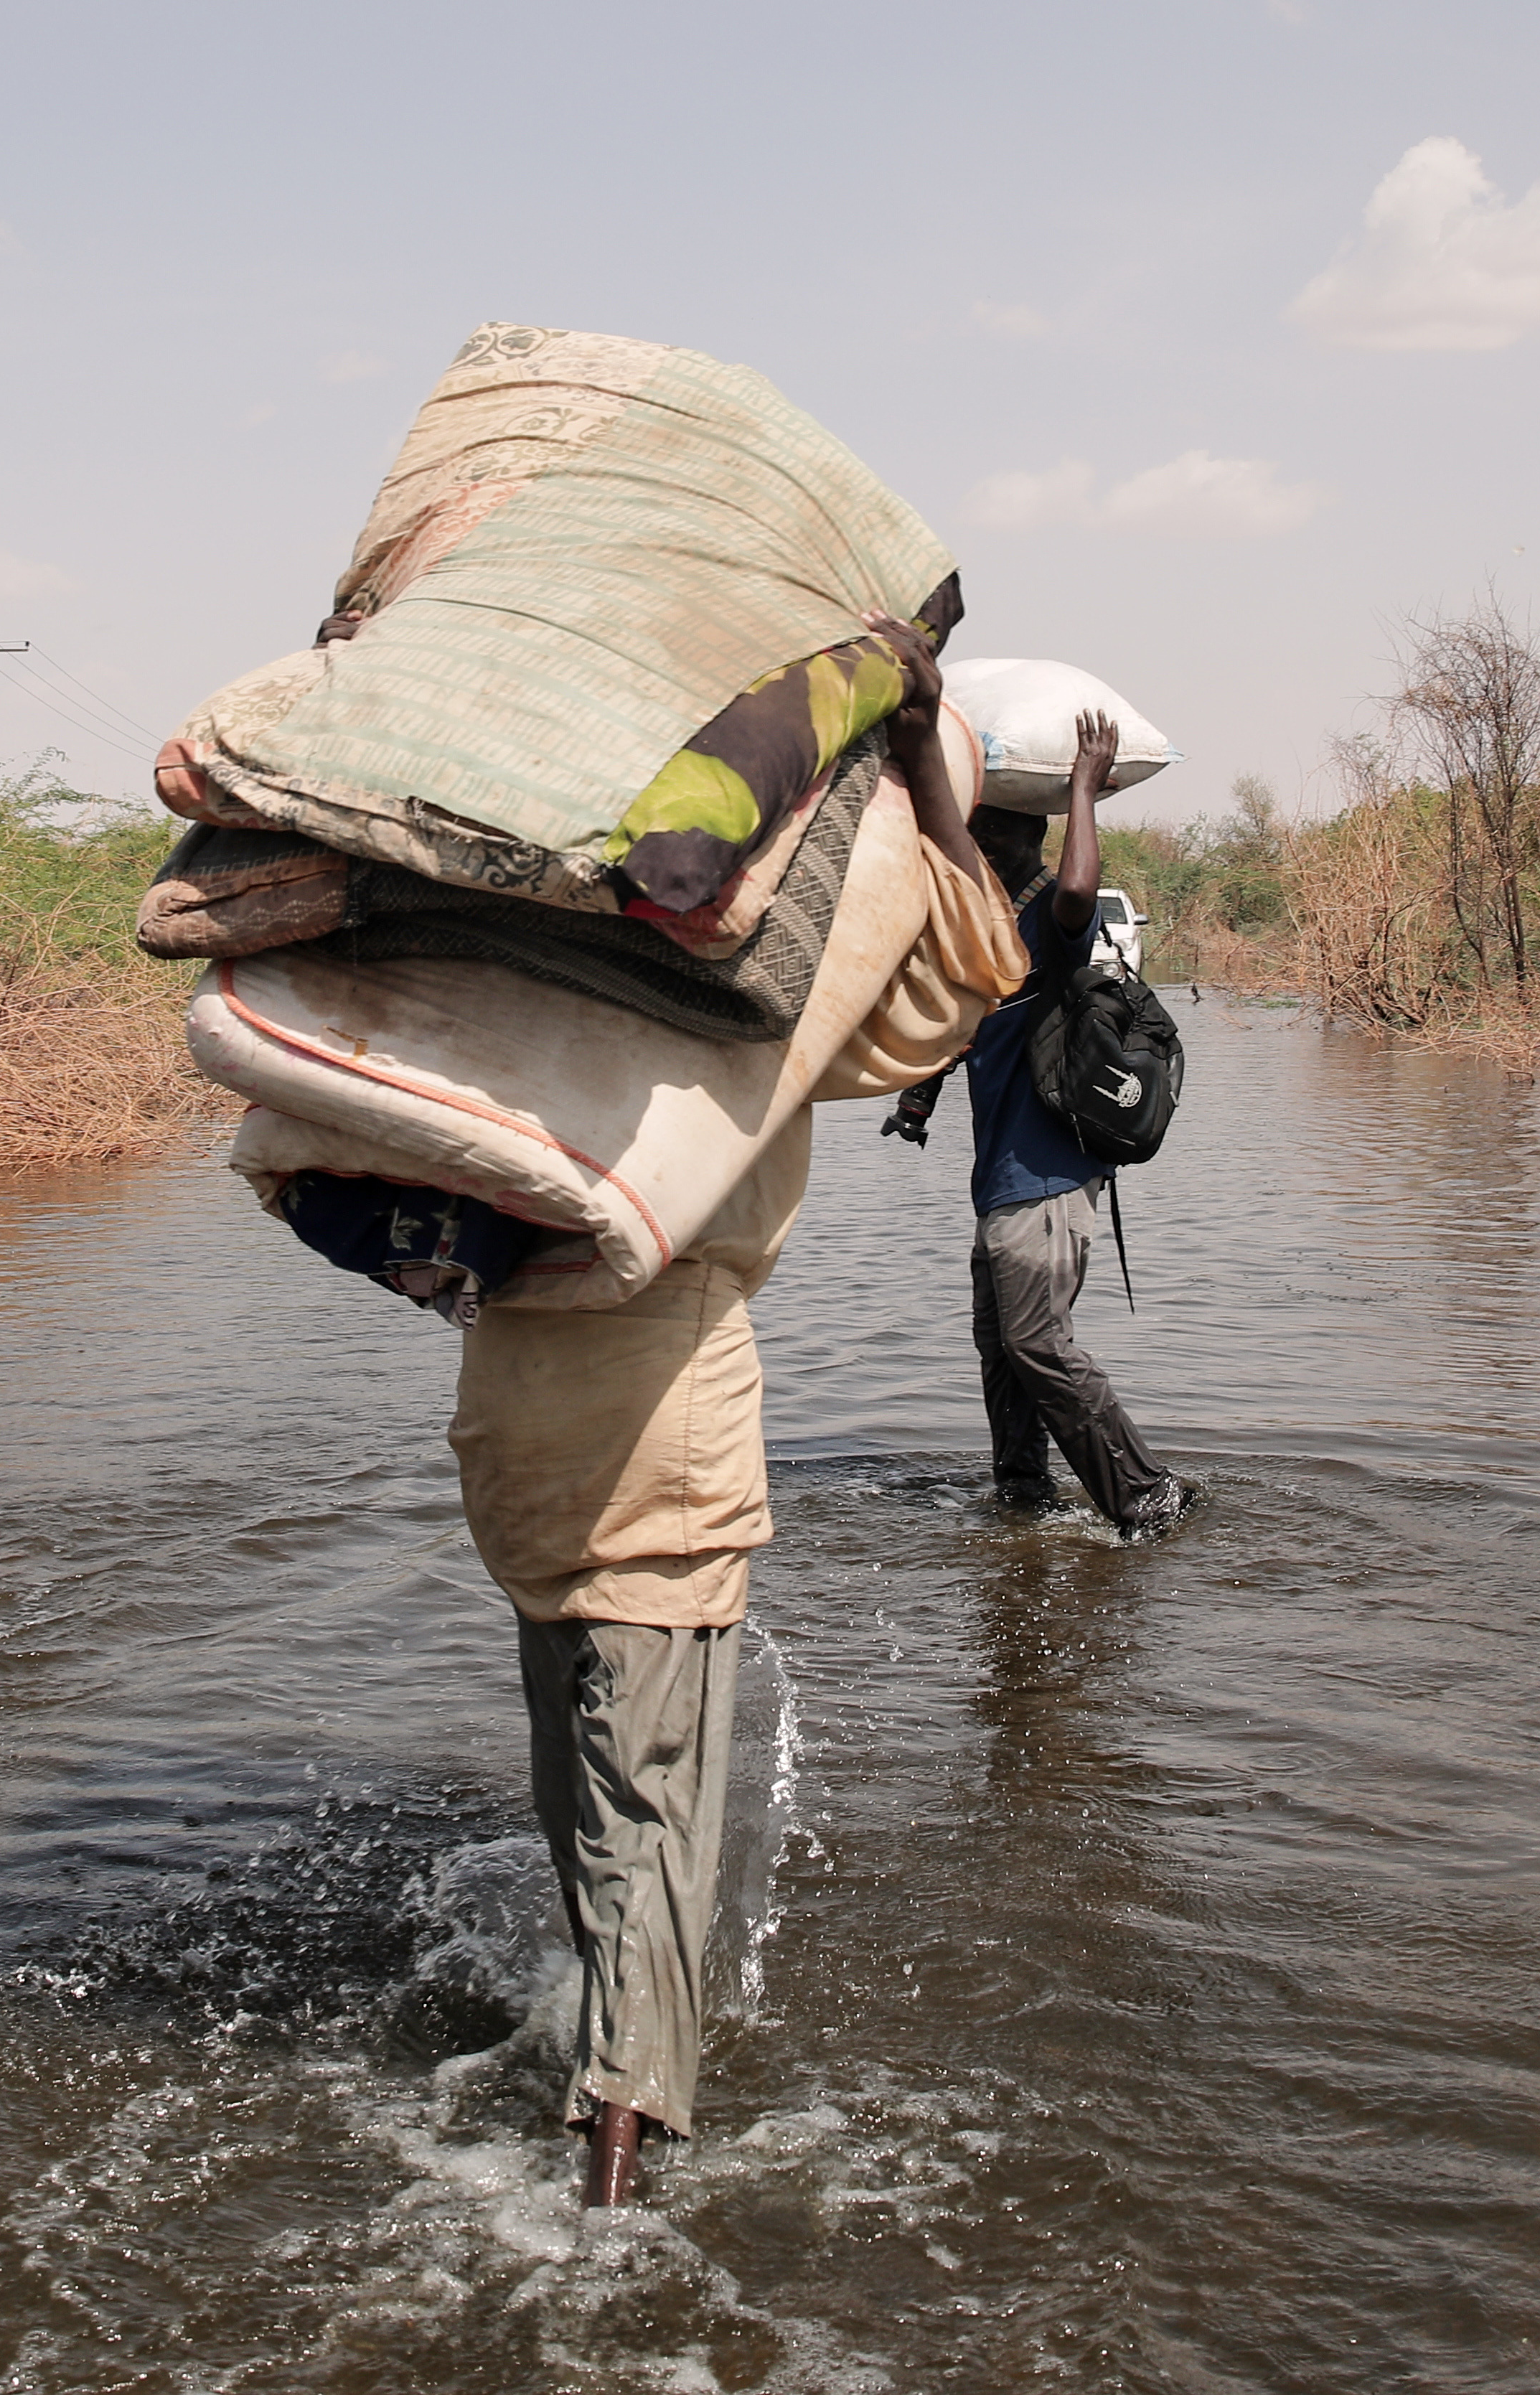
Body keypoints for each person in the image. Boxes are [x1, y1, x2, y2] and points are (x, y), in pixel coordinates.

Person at [439, 614, 1033, 2206]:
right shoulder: (759, 978)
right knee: (654, 1815)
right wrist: (915, 747)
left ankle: (588, 2073)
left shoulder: (498, 967)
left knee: (578, 1789)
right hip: (664, 1408)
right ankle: (618, 2181)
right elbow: (963, 978)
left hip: (506, 1402)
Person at [886, 709, 1201, 1538]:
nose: (977, 846)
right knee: (1001, 1350)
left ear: (1028, 836)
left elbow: (1076, 890)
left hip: (1047, 1177)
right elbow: (963, 1028)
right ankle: (1021, 1498)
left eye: (990, 832)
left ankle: (1145, 1493)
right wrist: (919, 1098)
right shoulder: (983, 931)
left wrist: (1082, 790)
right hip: (1000, 1180)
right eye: (974, 832)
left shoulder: (1051, 924)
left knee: (1036, 1343)